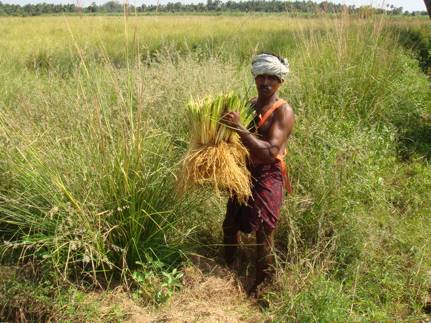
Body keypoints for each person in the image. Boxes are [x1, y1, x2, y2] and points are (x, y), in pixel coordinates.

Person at [221, 53, 295, 296]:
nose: (265, 82)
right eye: (260, 77)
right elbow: (234, 139)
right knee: (230, 223)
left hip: (268, 172)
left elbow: (270, 152)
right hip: (244, 171)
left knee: (264, 230)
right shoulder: (250, 105)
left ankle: (261, 284)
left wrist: (240, 128)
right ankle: (227, 268)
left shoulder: (283, 111)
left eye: (271, 78)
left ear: (280, 81)